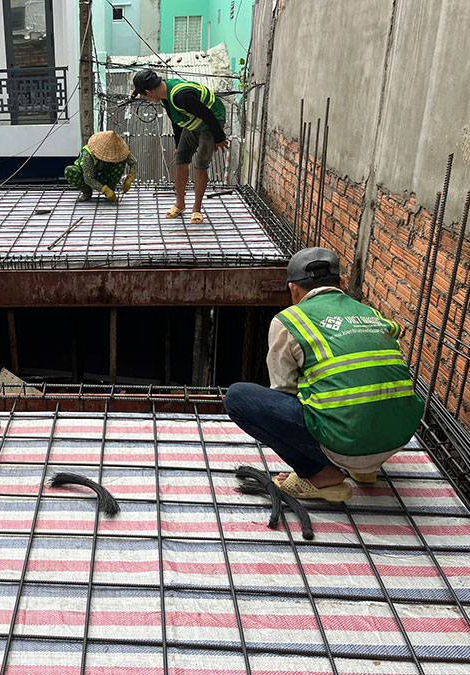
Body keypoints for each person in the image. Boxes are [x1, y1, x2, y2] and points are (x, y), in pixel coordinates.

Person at [224, 247, 424, 502]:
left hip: (346, 444)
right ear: (342, 283)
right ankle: (366, 469)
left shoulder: (289, 320)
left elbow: (284, 390)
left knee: (237, 397)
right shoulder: (371, 313)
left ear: (293, 290)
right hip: (396, 438)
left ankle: (319, 474)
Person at [131, 69, 227, 224]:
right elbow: (176, 121)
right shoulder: (165, 98)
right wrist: (178, 145)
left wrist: (220, 138)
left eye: (143, 96)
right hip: (192, 122)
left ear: (148, 92)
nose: (145, 99)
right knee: (181, 160)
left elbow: (207, 115)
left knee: (201, 165)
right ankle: (180, 204)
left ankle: (196, 209)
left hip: (210, 123)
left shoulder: (181, 96)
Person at [64, 131, 138, 202]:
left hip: (105, 174)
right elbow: (88, 179)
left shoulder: (119, 150)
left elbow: (133, 162)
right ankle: (87, 191)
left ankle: (111, 187)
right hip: (88, 176)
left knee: (121, 161)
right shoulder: (88, 154)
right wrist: (105, 190)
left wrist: (130, 178)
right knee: (69, 170)